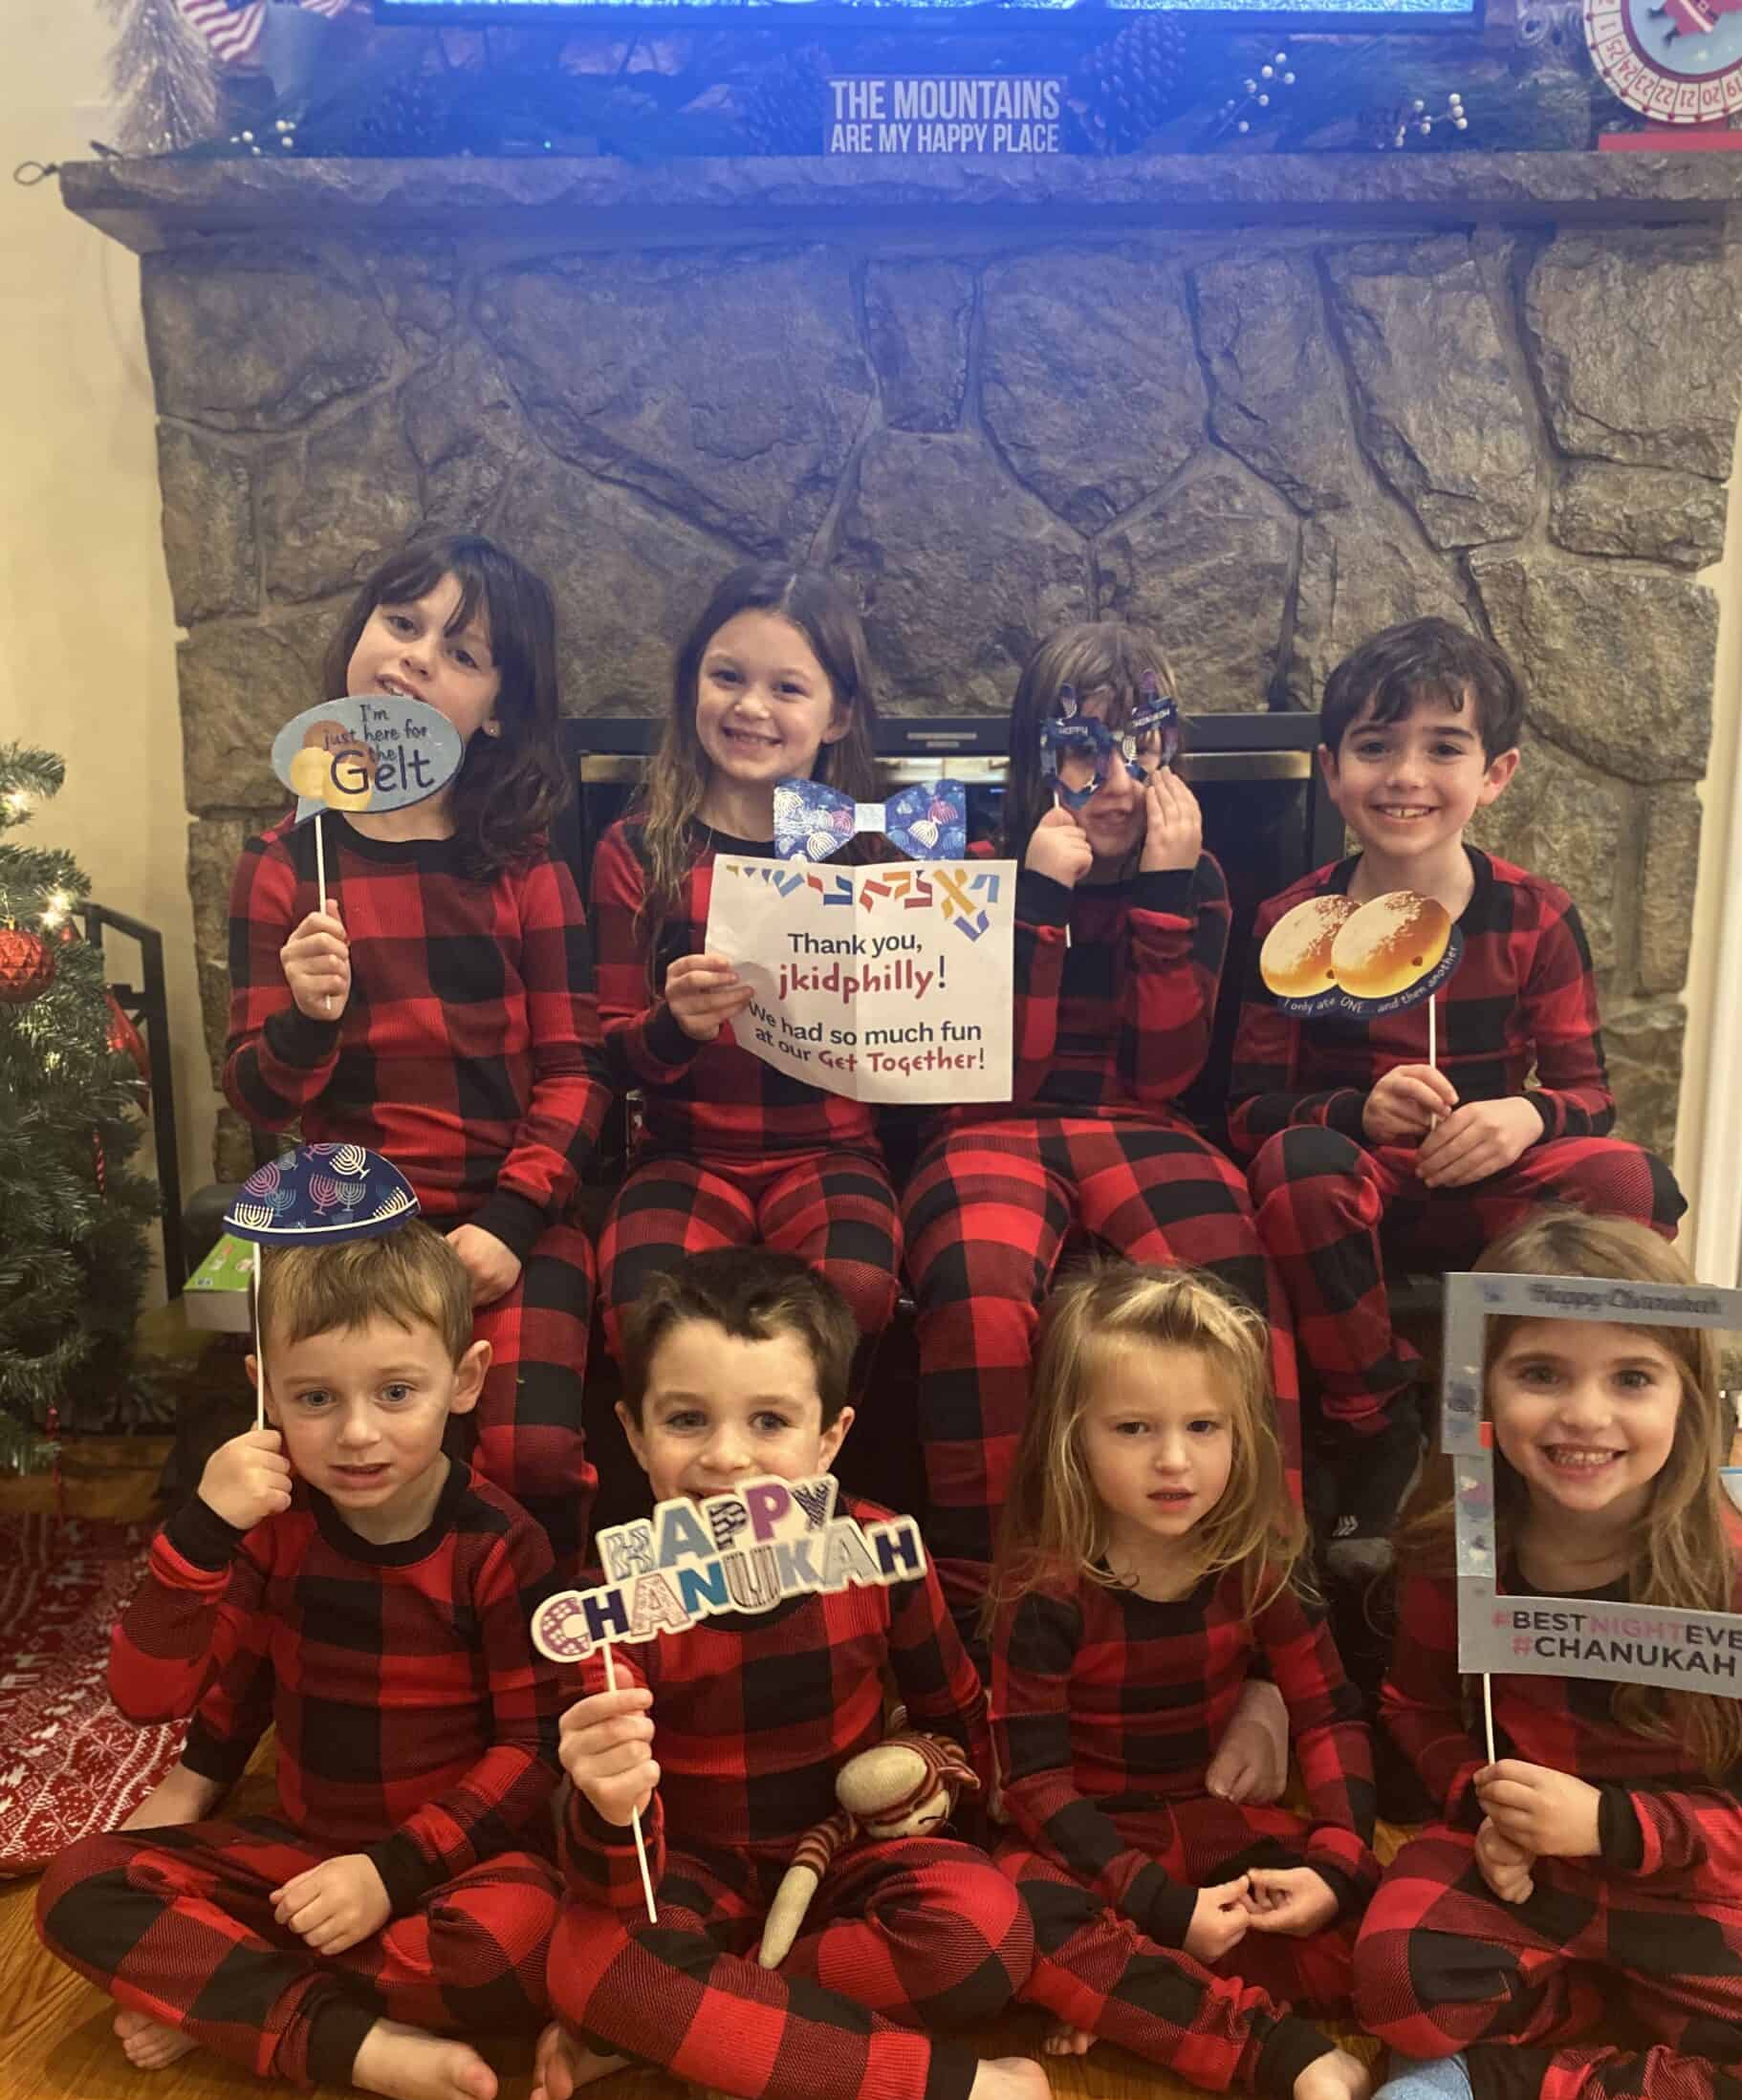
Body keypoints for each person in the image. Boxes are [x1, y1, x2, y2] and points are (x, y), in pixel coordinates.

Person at [530, 1248, 1071, 2100]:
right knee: (592, 1965)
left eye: (769, 1423)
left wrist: (933, 1789)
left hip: (852, 1861)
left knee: (989, 1932)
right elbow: (614, 1878)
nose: (728, 1460)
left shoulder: (878, 1554)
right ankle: (969, 2096)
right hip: (692, 1868)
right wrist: (603, 1803)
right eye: (687, 1420)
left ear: (831, 1440)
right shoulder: (608, 1602)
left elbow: (960, 1734)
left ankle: (708, 2031)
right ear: (635, 1436)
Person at [35, 1223, 572, 2100]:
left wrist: (389, 1872)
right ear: (264, 1393)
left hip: (447, 1868)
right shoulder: (267, 1525)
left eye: (397, 1392)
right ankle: (353, 2045)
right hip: (301, 1853)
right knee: (77, 1886)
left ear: (466, 1380)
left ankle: (231, 1998)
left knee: (508, 1953)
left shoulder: (499, 1543)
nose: (357, 1434)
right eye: (315, 1397)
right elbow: (155, 1695)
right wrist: (201, 1531)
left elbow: (532, 1753)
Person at [1354, 1209, 1742, 2100]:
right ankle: (1605, 2004)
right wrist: (1478, 1800)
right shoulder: (1459, 1547)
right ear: (1481, 1388)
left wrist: (1614, 1824)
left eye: (1631, 1376)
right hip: (1516, 1866)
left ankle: (1512, 2082)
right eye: (1540, 1373)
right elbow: (1414, 1702)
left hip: (1683, 1886)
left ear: (1690, 1396)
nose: (1585, 1414)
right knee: (1393, 1981)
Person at [1230, 617, 1685, 1577]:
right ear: (1331, 770)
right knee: (1294, 1165)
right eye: (1375, 746)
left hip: (1492, 1180)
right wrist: (1354, 1111)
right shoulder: (1291, 923)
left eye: (1444, 747)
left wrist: (1526, 1116)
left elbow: (1586, 1095)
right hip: (1357, 1189)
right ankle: (1378, 1423)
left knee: (1631, 1178)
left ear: (1497, 774)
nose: (1406, 775)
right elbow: (1249, 1110)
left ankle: (1572, 1416)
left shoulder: (1535, 913)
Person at [903, 621, 1301, 1645]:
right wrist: (1040, 899)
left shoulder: (1198, 873)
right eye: (1087, 750)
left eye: (1145, 745)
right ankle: (990, 1593)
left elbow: (1168, 1068)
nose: (1119, 778)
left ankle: (1264, 1592)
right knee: (979, 1294)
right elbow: (1004, 1062)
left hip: (1140, 1118)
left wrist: (1165, 892)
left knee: (1230, 1286)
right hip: (992, 1118)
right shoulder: (981, 861)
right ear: (1040, 754)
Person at [224, 533, 606, 1570]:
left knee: (529, 1449)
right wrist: (306, 1019)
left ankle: (541, 1652)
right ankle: (333, 1643)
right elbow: (257, 1092)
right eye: (401, 624)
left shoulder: (525, 866)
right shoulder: (280, 867)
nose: (418, 656)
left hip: (509, 1211)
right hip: (349, 1208)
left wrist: (513, 1218)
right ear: (359, 637)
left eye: (463, 651)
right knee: (320, 1442)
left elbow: (578, 1072)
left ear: (497, 712)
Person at [989, 1263, 1376, 2100]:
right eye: (1135, 1429)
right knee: (1018, 1924)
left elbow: (1328, 1712)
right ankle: (1284, 2053)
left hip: (1204, 1820)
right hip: (1083, 1838)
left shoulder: (1258, 1559)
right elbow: (1034, 1787)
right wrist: (1161, 1907)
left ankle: (1145, 1989)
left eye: (1204, 1428)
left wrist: (1333, 1861)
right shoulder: (1050, 1589)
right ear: (1073, 1441)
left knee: (1392, 1922)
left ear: (1243, 1435)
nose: (1175, 1461)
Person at [593, 563, 903, 1364]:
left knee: (854, 1290)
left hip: (832, 1151)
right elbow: (607, 1046)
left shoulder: (876, 853)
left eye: (788, 689)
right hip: (683, 1150)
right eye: (726, 676)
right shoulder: (636, 851)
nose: (751, 707)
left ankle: (813, 1475)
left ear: (837, 718)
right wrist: (672, 1028)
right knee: (647, 1297)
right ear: (691, 686)